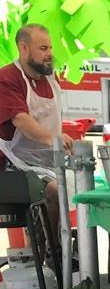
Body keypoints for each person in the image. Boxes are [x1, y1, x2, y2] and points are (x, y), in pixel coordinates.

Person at [0, 24, 73, 239]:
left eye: (50, 48)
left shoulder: (51, 80)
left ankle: (73, 249)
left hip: (50, 161)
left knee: (87, 187)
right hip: (14, 165)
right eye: (43, 48)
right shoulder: (7, 78)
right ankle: (49, 251)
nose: (49, 54)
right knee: (53, 190)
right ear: (24, 49)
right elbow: (21, 120)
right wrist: (54, 139)